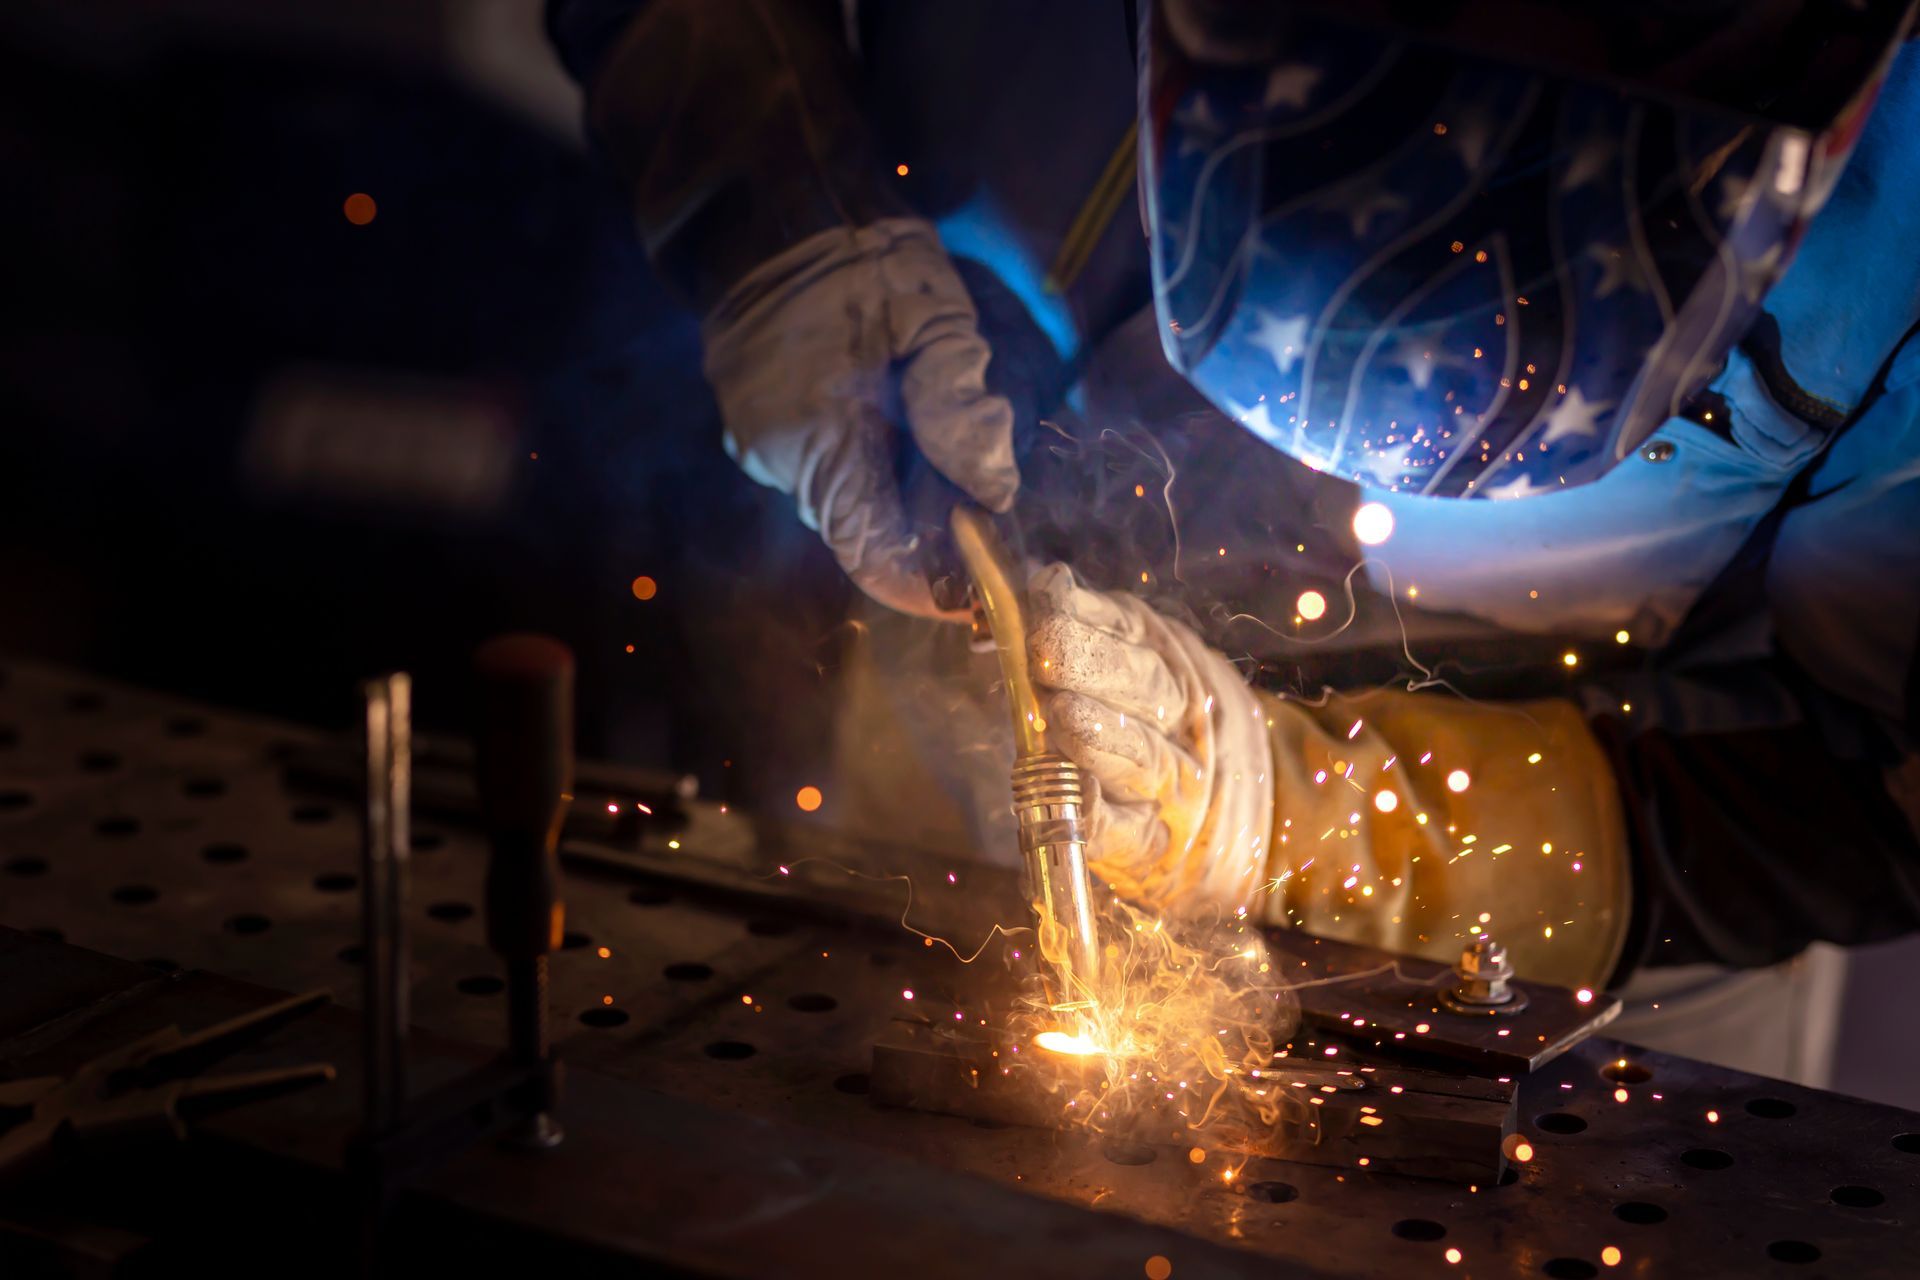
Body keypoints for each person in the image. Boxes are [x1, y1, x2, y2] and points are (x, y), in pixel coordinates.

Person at [548, 0, 1920, 1084]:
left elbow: (1867, 804)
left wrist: (1302, 819)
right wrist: (780, 209)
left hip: (1587, 945)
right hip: (958, 670)